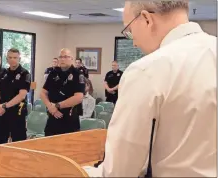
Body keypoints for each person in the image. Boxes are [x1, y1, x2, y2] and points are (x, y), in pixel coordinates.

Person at [83, 1, 216, 177]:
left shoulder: (147, 70)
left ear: (146, 19)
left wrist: (79, 172)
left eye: (129, 31)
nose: (134, 43)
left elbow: (120, 172)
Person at [40, 48, 85, 136]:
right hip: (52, 115)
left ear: (71, 59)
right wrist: (50, 107)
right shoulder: (53, 73)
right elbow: (43, 93)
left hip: (69, 118)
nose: (62, 59)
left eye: (66, 57)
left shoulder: (78, 74)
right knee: (48, 146)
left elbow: (79, 97)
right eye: (60, 57)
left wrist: (57, 105)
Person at [0, 48, 31, 145]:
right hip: (2, 112)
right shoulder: (4, 73)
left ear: (19, 59)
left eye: (15, 57)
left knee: (18, 142)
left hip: (17, 112)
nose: (12, 59)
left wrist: (5, 106)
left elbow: (22, 95)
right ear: (7, 59)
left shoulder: (25, 73)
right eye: (10, 57)